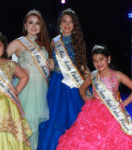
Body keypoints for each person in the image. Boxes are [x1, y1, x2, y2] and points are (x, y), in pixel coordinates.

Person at [56, 44, 132, 150]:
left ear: (109, 58)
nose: (98, 63)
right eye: (95, 60)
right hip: (93, 112)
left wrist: (123, 104)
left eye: (101, 59)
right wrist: (86, 98)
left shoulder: (118, 75)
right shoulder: (92, 76)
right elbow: (82, 89)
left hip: (113, 113)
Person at [37, 8, 90, 150]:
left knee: (75, 118)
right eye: (64, 21)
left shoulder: (78, 42)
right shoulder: (54, 42)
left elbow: (83, 66)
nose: (67, 25)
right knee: (55, 118)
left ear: (74, 25)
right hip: (57, 84)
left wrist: (93, 81)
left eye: (70, 22)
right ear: (59, 23)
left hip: (74, 86)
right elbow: (52, 64)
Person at [7, 9, 51, 150]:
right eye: (30, 23)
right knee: (23, 123)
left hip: (41, 90)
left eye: (37, 23)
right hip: (24, 88)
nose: (34, 26)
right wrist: (14, 71)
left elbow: (50, 66)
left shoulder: (44, 44)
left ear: (41, 26)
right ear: (25, 25)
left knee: (35, 127)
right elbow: (0, 61)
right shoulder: (18, 42)